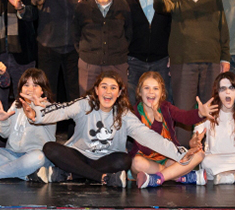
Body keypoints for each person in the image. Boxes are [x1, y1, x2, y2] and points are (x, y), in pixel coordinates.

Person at [32, 70, 190, 188]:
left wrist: (178, 153)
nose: (108, 92)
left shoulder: (125, 115)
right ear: (96, 90)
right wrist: (37, 113)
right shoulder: (84, 104)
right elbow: (60, 110)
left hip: (106, 160)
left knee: (125, 159)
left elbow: (148, 136)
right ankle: (103, 178)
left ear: (119, 92)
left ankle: (71, 174)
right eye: (104, 87)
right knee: (50, 148)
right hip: (79, 156)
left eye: (113, 88)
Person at [153, 0, 230, 142]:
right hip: (183, 62)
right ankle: (184, 154)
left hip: (211, 61)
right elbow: (163, 7)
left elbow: (223, 29)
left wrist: (225, 57)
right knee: (184, 109)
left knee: (210, 108)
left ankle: (209, 148)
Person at [0, 68, 59, 182]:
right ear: (21, 88)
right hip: (12, 154)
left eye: (35, 86)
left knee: (37, 157)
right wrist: (3, 121)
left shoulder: (49, 108)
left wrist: (34, 109)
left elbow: (38, 118)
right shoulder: (16, 105)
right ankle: (27, 174)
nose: (30, 89)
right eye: (26, 85)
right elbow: (4, 134)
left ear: (42, 91)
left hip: (33, 155)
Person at [129, 70, 213, 188]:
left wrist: (199, 113)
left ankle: (158, 178)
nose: (151, 92)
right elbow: (147, 148)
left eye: (155, 88)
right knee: (136, 163)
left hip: (167, 158)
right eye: (146, 88)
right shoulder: (134, 114)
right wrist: (157, 124)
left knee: (199, 154)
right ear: (140, 91)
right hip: (145, 159)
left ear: (162, 92)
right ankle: (179, 176)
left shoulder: (166, 108)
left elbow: (185, 117)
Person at [32, 0, 86, 101]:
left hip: (73, 50)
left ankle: (75, 125)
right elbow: (35, 1)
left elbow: (85, 14)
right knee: (47, 94)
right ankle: (48, 124)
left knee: (75, 95)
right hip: (48, 49)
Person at [123, 0, 172, 105]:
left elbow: (173, 28)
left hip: (162, 61)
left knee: (164, 104)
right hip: (133, 61)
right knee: (131, 104)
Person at [73, 0, 132, 93]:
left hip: (117, 63)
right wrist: (87, 53)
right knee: (87, 103)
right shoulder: (82, 7)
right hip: (89, 64)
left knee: (119, 102)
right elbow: (76, 34)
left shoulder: (122, 5)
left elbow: (129, 32)